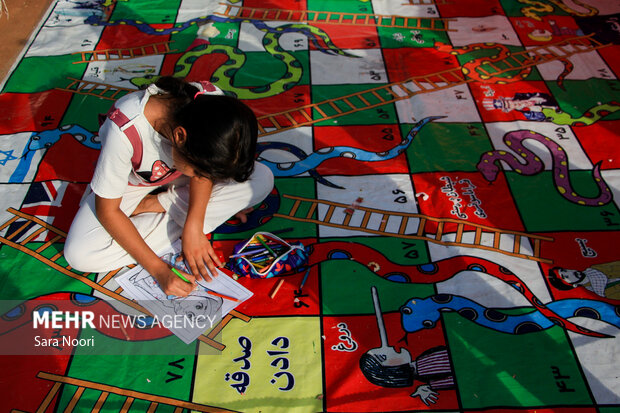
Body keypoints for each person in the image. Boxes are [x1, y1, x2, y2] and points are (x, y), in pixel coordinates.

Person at [65, 76, 274, 297]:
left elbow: (202, 176)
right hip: (132, 184)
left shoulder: (211, 102)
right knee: (79, 254)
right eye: (202, 170)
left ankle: (154, 204)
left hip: (181, 172)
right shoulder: (125, 129)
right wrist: (158, 269)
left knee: (262, 179)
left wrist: (193, 227)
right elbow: (107, 211)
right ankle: (167, 211)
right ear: (180, 136)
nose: (206, 176)